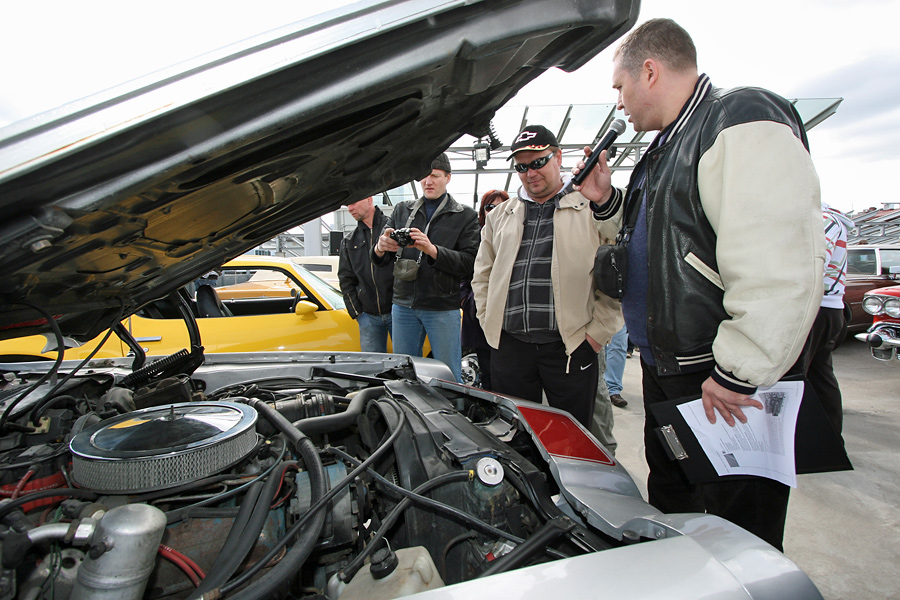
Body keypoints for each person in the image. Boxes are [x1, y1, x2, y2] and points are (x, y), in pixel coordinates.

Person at [574, 18, 824, 551]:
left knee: (738, 534)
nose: (618, 102)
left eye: (619, 87)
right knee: (676, 515)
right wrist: (608, 201)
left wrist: (739, 371)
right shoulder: (665, 147)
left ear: (649, 71)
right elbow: (658, 244)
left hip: (717, 382)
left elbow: (778, 261)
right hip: (672, 373)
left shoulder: (738, 118)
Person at [472, 124, 622, 430]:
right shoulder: (500, 216)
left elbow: (618, 275)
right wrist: (489, 322)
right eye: (522, 167)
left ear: (559, 157)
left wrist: (595, 336)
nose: (531, 173)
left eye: (539, 162)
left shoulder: (592, 208)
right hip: (510, 347)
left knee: (572, 437)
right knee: (515, 435)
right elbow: (482, 275)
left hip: (570, 348)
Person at [373, 153, 480, 382]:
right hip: (403, 305)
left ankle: (450, 405)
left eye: (435, 176)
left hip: (442, 306)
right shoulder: (402, 210)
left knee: (448, 375)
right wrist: (380, 247)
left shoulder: (465, 216)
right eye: (423, 176)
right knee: (404, 373)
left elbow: (470, 263)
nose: (428, 181)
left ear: (448, 178)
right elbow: (380, 259)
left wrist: (433, 250)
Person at [790, 203, 853, 444]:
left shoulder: (823, 219)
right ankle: (829, 442)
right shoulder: (827, 218)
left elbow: (812, 264)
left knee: (794, 377)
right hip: (826, 308)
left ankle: (809, 444)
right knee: (819, 376)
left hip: (815, 306)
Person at [461, 190, 508, 390]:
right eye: (490, 207)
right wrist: (467, 300)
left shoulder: (520, 234)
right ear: (483, 211)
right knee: (486, 372)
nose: (494, 211)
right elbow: (463, 272)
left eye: (501, 206)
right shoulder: (474, 238)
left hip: (509, 317)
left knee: (509, 374)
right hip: (479, 314)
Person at [338, 196, 394, 352]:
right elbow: (346, 279)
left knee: (406, 361)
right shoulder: (349, 241)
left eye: (353, 202)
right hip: (368, 316)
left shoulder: (392, 230)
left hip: (398, 311)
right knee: (373, 365)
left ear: (369, 200)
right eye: (347, 205)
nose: (350, 209)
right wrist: (357, 313)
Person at [605, 325, 629, 408]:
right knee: (598, 345)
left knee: (619, 345)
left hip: (620, 317)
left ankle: (613, 389)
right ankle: (598, 384)